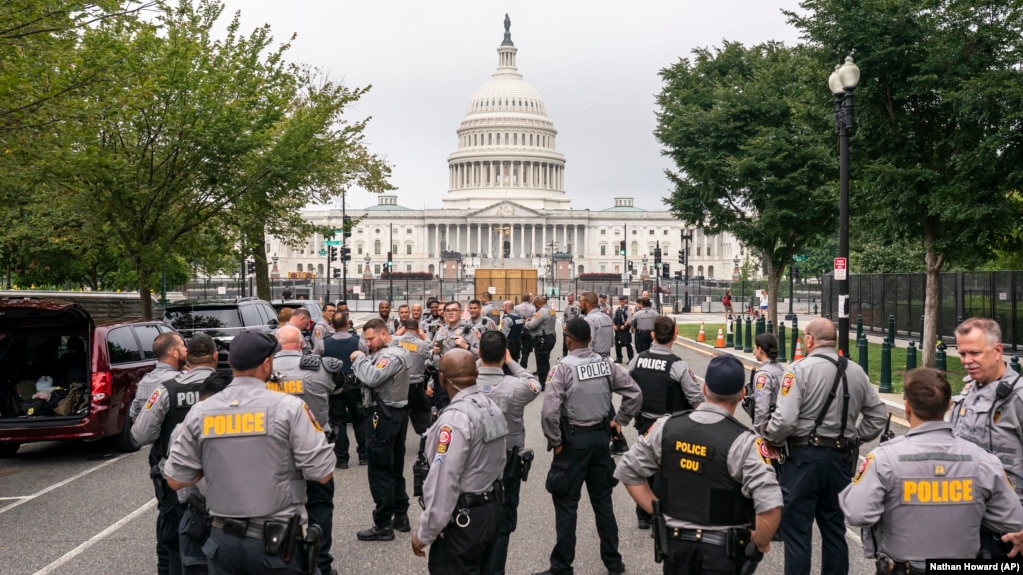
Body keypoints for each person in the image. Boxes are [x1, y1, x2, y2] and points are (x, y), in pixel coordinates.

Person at [163, 329, 335, 575]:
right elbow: (323, 472)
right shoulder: (288, 407)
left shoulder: (201, 411)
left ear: (231, 363)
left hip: (222, 543)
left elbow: (175, 479)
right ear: (266, 364)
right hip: (275, 543)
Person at [840, 367, 1023, 573]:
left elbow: (856, 513)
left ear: (907, 408)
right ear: (949, 406)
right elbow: (1014, 519)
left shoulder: (884, 459)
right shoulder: (985, 461)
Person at [614, 354, 783, 575]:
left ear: (704, 389)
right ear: (742, 394)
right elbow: (770, 505)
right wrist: (759, 542)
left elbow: (628, 470)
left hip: (676, 550)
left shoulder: (666, 427)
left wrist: (658, 512)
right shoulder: (745, 442)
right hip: (722, 554)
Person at [762, 317, 887, 575]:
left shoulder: (798, 370)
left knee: (797, 531)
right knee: (834, 529)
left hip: (803, 458)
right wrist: (854, 437)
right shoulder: (857, 372)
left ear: (809, 340)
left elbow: (785, 420)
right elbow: (877, 416)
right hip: (840, 458)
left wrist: (770, 438)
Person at [534, 318, 642, 575]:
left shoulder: (562, 368)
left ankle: (561, 566)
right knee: (603, 503)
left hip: (573, 442)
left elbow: (549, 412)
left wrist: (556, 441)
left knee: (566, 504)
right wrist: (619, 421)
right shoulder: (606, 364)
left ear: (568, 340)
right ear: (591, 339)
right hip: (600, 440)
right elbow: (634, 393)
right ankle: (613, 562)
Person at [411, 349, 508, 573]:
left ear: (442, 378)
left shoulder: (455, 419)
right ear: (476, 374)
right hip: (490, 511)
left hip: (464, 521)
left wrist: (425, 533)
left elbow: (444, 480)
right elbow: (500, 460)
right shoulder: (491, 408)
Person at [132, 334, 217, 575]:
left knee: (175, 543)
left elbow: (140, 434)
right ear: (215, 356)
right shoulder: (229, 386)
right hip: (222, 479)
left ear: (188, 357)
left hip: (177, 481)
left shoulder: (166, 389)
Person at [270, 325, 342, 575]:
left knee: (277, 508)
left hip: (275, 453)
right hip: (315, 449)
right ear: (302, 344)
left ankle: (288, 560)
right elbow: (337, 389)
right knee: (320, 507)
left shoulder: (264, 370)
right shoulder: (320, 368)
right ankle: (321, 563)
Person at [950, 317, 1023, 557]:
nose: (966, 361)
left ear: (998, 351)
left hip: (1005, 537)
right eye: (962, 354)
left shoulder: (1017, 398)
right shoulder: (970, 390)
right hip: (966, 528)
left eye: (975, 353)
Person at [627, 315, 702, 530]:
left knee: (645, 465)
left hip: (644, 422)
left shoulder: (637, 360)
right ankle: (660, 517)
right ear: (674, 336)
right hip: (670, 425)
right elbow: (696, 399)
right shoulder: (678, 366)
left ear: (652, 335)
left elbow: (630, 390)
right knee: (665, 471)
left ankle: (644, 514)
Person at [476, 331, 542, 575]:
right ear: (504, 354)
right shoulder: (516, 386)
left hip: (473, 460)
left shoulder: (466, 382)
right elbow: (534, 383)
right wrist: (511, 361)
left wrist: (479, 360)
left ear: (480, 353)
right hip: (507, 459)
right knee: (503, 524)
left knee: (472, 518)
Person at [129, 331, 186, 575]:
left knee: (166, 512)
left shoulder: (146, 381)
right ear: (173, 352)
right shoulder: (178, 382)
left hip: (159, 456)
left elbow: (136, 416)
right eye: (182, 345)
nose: (186, 349)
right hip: (179, 456)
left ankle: (165, 566)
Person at [351, 318, 412, 541]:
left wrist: (359, 358)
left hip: (383, 416)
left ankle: (383, 523)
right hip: (394, 414)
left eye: (370, 339)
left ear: (384, 335)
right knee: (394, 468)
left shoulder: (391, 355)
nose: (367, 343)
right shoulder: (395, 351)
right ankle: (401, 516)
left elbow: (372, 377)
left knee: (380, 470)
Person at [429, 301, 480, 410]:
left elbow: (480, 355)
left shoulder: (470, 331)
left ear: (460, 312)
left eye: (454, 310)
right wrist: (434, 351)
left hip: (461, 380)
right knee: (443, 410)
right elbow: (429, 352)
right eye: (447, 311)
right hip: (442, 379)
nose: (450, 313)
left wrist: (467, 347)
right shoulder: (440, 332)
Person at [395, 318, 434, 436]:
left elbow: (386, 344)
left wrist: (397, 334)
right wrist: (425, 336)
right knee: (422, 417)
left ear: (404, 328)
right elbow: (433, 352)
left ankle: (399, 440)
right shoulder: (423, 344)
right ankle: (426, 442)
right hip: (416, 386)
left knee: (398, 416)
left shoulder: (395, 341)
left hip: (398, 386)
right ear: (418, 329)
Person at [748, 333, 785, 432]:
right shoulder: (784, 369)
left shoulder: (763, 375)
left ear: (760, 349)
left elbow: (762, 408)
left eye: (755, 348)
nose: (753, 352)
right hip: (784, 423)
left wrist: (759, 430)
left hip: (771, 426)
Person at [525, 295, 557, 384]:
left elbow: (532, 325)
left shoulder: (542, 311)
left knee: (542, 362)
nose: (534, 306)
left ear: (538, 303)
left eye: (535, 304)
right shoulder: (551, 310)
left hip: (542, 339)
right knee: (545, 360)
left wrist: (526, 322)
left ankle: (543, 383)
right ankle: (546, 379)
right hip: (550, 336)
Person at [513, 294, 536, 369]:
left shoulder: (516, 308)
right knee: (526, 351)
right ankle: (523, 366)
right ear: (529, 299)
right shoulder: (533, 309)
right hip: (528, 330)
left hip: (518, 330)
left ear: (522, 299)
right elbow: (534, 320)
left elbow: (513, 318)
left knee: (516, 348)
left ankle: (515, 366)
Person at [500, 300, 525, 364]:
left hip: (509, 344)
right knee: (515, 361)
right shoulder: (519, 317)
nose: (502, 309)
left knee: (507, 362)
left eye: (503, 307)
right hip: (518, 342)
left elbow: (504, 334)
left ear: (506, 307)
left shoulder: (507, 319)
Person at [612, 296, 634, 364]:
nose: (621, 301)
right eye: (620, 300)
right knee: (617, 344)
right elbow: (613, 319)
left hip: (625, 330)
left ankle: (631, 359)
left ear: (625, 300)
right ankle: (619, 358)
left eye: (622, 300)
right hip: (618, 329)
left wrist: (624, 325)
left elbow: (629, 319)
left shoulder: (628, 309)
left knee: (627, 344)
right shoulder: (617, 309)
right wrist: (614, 326)